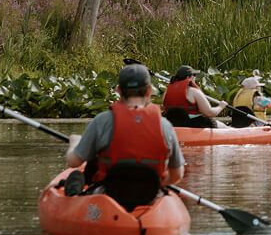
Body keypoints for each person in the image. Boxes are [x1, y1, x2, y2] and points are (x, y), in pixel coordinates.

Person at [64, 63, 184, 209]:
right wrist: (158, 182)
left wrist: (75, 143)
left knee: (81, 173)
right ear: (149, 91)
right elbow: (177, 174)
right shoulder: (165, 126)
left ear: (119, 91)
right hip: (150, 197)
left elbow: (74, 162)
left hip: (109, 196)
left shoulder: (102, 121)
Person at [159, 65, 227, 129]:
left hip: (173, 125)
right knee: (224, 126)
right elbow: (209, 113)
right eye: (194, 75)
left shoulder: (166, 92)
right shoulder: (194, 92)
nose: (195, 77)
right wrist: (221, 106)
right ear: (188, 77)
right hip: (194, 124)